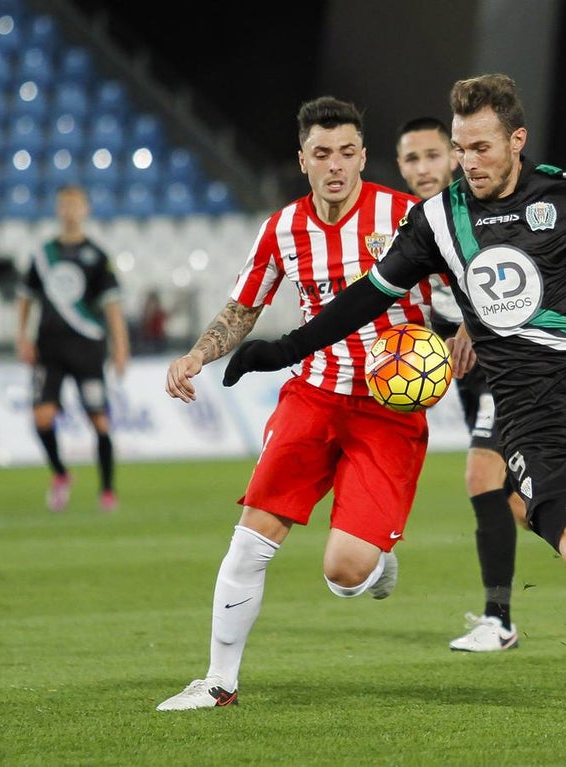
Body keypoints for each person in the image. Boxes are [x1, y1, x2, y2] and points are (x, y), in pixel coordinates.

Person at [225, 74, 566, 717]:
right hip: (528, 414)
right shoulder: (437, 219)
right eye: (460, 148)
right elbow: (367, 296)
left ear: (516, 141)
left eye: (481, 147)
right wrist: (284, 349)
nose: (469, 162)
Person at [157, 96, 436, 711]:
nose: (334, 165)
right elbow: (244, 306)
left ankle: (374, 557)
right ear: (302, 160)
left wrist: (464, 331)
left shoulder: (405, 215)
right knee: (250, 538)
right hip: (311, 394)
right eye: (321, 154)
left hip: (389, 406)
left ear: (363, 155)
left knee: (344, 573)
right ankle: (218, 682)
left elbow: (461, 284)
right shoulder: (283, 228)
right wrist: (198, 356)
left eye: (345, 153)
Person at [396, 116, 526, 652]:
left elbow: (510, 268)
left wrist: (473, 323)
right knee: (520, 506)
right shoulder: (412, 220)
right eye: (411, 159)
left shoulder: (476, 210)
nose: (423, 168)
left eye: (432, 155)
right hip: (467, 368)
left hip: (507, 359)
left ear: (452, 156)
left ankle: (499, 620)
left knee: (481, 477)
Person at [15, 184, 130, 513]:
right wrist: (21, 337)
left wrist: (121, 348)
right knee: (42, 417)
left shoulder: (97, 256)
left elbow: (112, 306)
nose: (69, 210)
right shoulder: (43, 254)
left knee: (99, 421)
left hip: (87, 347)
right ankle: (61, 474)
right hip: (48, 347)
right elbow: (26, 298)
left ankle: (107, 490)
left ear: (85, 210)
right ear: (57, 209)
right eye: (64, 204)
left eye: (75, 205)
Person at [137, 288, 169, 354]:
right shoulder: (146, 312)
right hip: (148, 339)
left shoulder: (159, 312)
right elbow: (144, 325)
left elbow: (165, 318)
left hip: (159, 339)